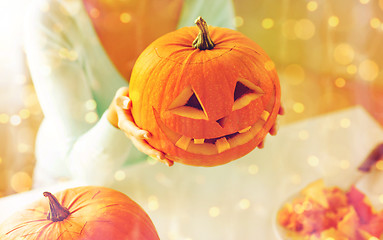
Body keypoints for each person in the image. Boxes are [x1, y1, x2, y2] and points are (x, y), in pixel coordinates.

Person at [24, 0, 278, 187]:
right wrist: (115, 121)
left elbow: (227, 74)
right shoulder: (51, 17)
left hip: (176, 176)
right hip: (76, 185)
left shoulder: (206, 3)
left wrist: (260, 90)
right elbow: (85, 171)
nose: (221, 118)